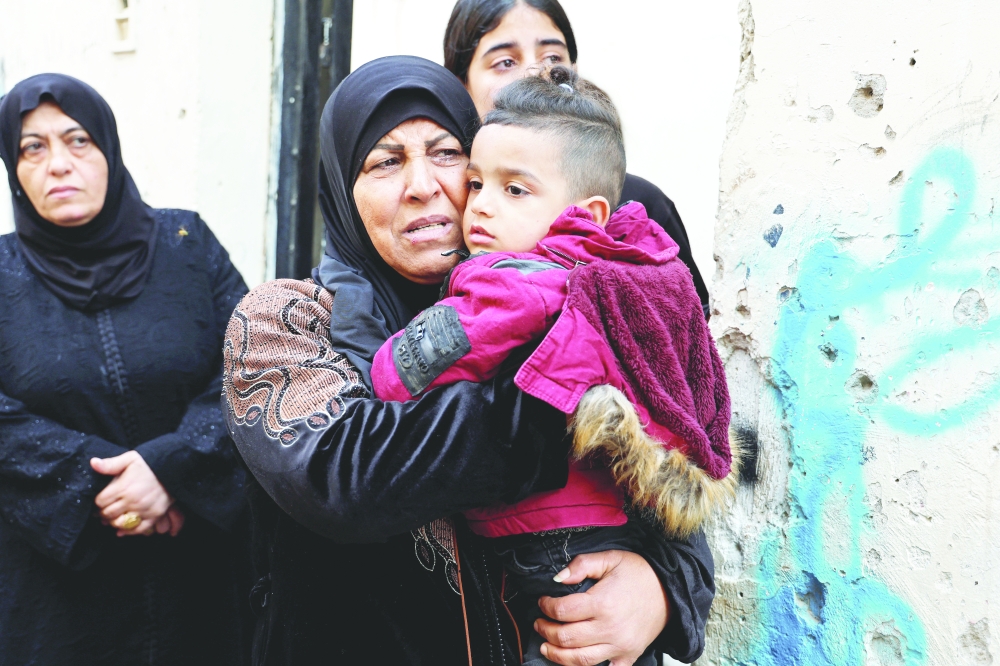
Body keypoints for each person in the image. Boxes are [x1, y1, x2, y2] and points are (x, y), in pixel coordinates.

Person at [223, 56, 715, 665]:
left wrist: (659, 594)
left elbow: (677, 476)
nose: (422, 185)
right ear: (344, 188)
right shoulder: (285, 321)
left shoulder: (588, 294)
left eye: (446, 154)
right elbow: (345, 478)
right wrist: (560, 391)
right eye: (385, 162)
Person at [370, 67, 735, 666]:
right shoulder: (632, 273)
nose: (480, 207)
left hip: (548, 545)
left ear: (586, 211)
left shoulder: (517, 285)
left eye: (515, 190)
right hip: (615, 530)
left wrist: (386, 361)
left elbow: (401, 374)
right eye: (477, 183)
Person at [0, 74, 249, 664]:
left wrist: (169, 468)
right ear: (14, 168)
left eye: (78, 140)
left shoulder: (188, 245)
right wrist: (110, 489)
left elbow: (250, 367)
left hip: (200, 577)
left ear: (108, 148)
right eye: (33, 148)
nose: (59, 163)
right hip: (55, 595)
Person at [443, 0, 712, 316]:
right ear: (460, 84)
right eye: (505, 62)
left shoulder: (641, 206)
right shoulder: (447, 199)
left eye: (553, 57)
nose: (534, 72)